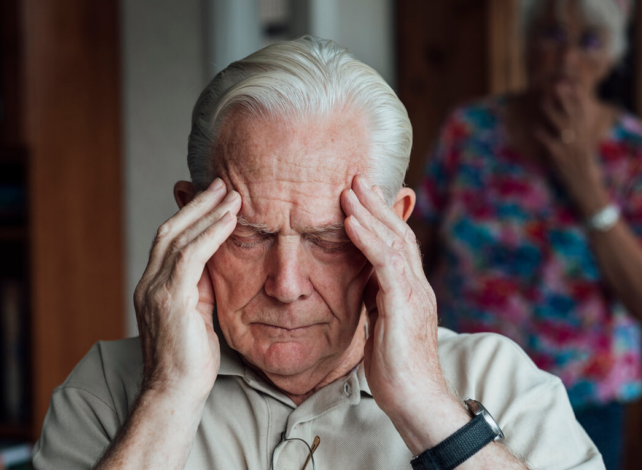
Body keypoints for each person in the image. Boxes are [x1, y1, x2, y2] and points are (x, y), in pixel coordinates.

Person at [32, 37, 603, 470]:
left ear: (395, 228)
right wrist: (165, 398)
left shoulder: (502, 382)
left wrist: (429, 408)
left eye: (328, 240)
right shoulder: (108, 388)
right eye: (248, 235)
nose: (286, 285)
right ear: (188, 218)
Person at [412, 1, 642, 469]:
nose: (568, 57)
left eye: (590, 41)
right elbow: (414, 252)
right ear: (527, 43)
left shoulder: (639, 154)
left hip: (585, 402)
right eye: (552, 35)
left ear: (614, 57)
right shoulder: (468, 131)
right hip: (462, 385)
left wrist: (587, 187)